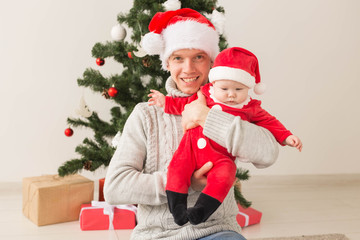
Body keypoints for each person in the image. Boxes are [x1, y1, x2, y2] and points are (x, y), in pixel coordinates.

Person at [104, 8, 279, 240]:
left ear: (211, 63)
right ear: (167, 63)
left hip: (217, 231)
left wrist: (208, 117)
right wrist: (184, 182)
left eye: (198, 57)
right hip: (157, 235)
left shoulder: (234, 106)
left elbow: (269, 153)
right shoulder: (146, 115)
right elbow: (115, 187)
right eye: (178, 58)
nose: (188, 69)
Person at [148, 47, 303, 226]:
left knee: (226, 174)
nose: (231, 94)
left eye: (239, 89)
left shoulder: (249, 107)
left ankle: (201, 211)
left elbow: (269, 122)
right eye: (225, 89)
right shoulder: (205, 94)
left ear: (248, 88)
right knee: (177, 168)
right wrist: (165, 102)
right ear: (214, 84)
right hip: (189, 150)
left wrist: (286, 136)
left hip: (220, 158)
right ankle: (178, 209)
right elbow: (182, 104)